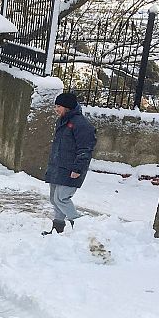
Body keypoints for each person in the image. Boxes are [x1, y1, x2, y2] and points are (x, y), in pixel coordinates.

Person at [43, 92, 96, 235]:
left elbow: (85, 149)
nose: (56, 109)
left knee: (62, 198)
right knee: (54, 200)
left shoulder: (81, 124)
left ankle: (81, 227)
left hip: (71, 169)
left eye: (59, 106)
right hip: (58, 167)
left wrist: (77, 168)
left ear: (67, 107)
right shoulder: (62, 121)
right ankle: (57, 230)